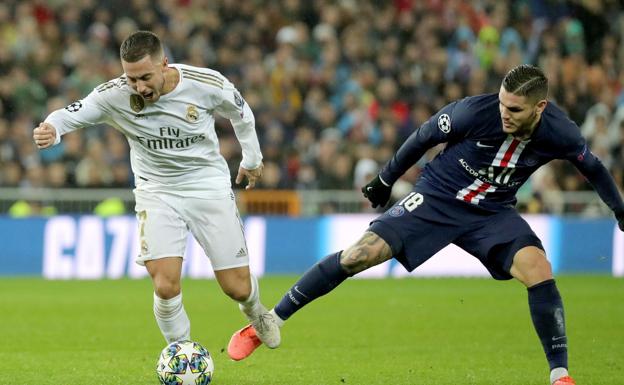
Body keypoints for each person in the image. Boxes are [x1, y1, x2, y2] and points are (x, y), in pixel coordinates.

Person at [227, 64, 624, 385]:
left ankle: (560, 375)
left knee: (539, 269)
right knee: (357, 256)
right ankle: (266, 324)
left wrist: (620, 212)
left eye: (515, 109)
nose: (505, 113)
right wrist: (385, 179)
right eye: (503, 104)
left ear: (540, 108)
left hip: (493, 212)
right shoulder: (473, 111)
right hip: (437, 197)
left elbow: (595, 169)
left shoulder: (562, 133)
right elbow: (422, 137)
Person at [33, 31, 280, 349]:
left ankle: (257, 313)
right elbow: (73, 113)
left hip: (206, 185)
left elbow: (241, 112)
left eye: (146, 77)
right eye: (131, 78)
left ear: (165, 64)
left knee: (237, 287)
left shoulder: (205, 84)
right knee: (165, 284)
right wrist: (52, 128)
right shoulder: (115, 94)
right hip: (157, 190)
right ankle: (181, 352)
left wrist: (252, 158)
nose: (139, 87)